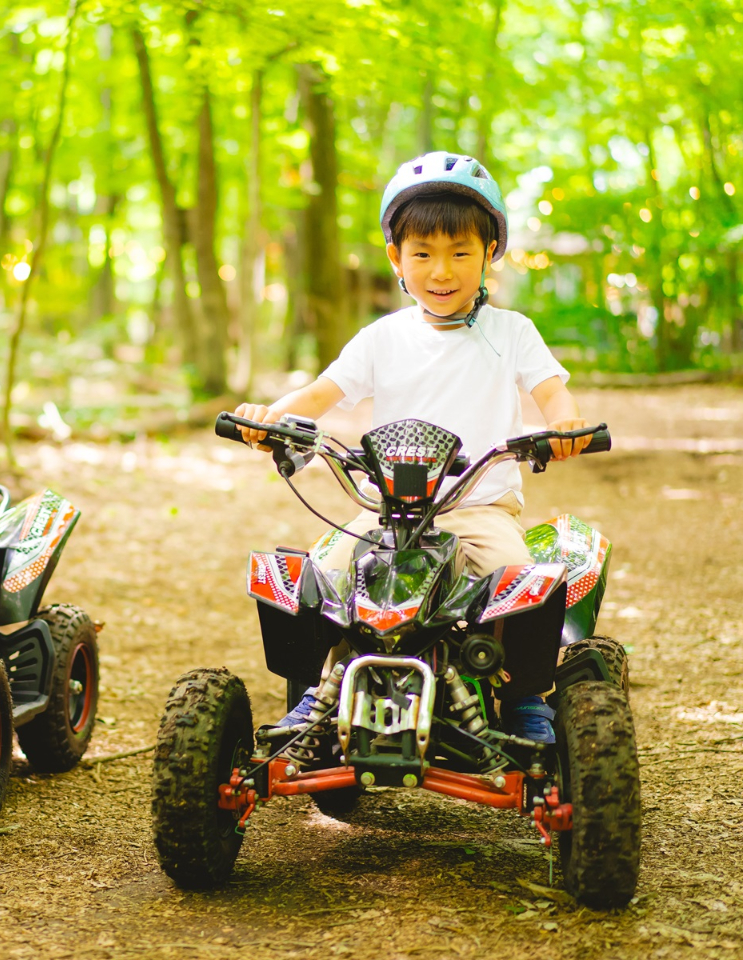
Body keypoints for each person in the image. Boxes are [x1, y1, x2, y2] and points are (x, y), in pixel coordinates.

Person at [235, 151, 591, 743]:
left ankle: (527, 697)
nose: (441, 270)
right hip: (385, 513)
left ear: (489, 253)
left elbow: (552, 392)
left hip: (476, 508)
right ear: (395, 258)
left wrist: (565, 424)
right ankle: (318, 693)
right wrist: (272, 416)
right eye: (422, 253)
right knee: (323, 582)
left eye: (460, 253)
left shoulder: (511, 332)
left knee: (520, 581)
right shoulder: (382, 337)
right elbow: (321, 393)